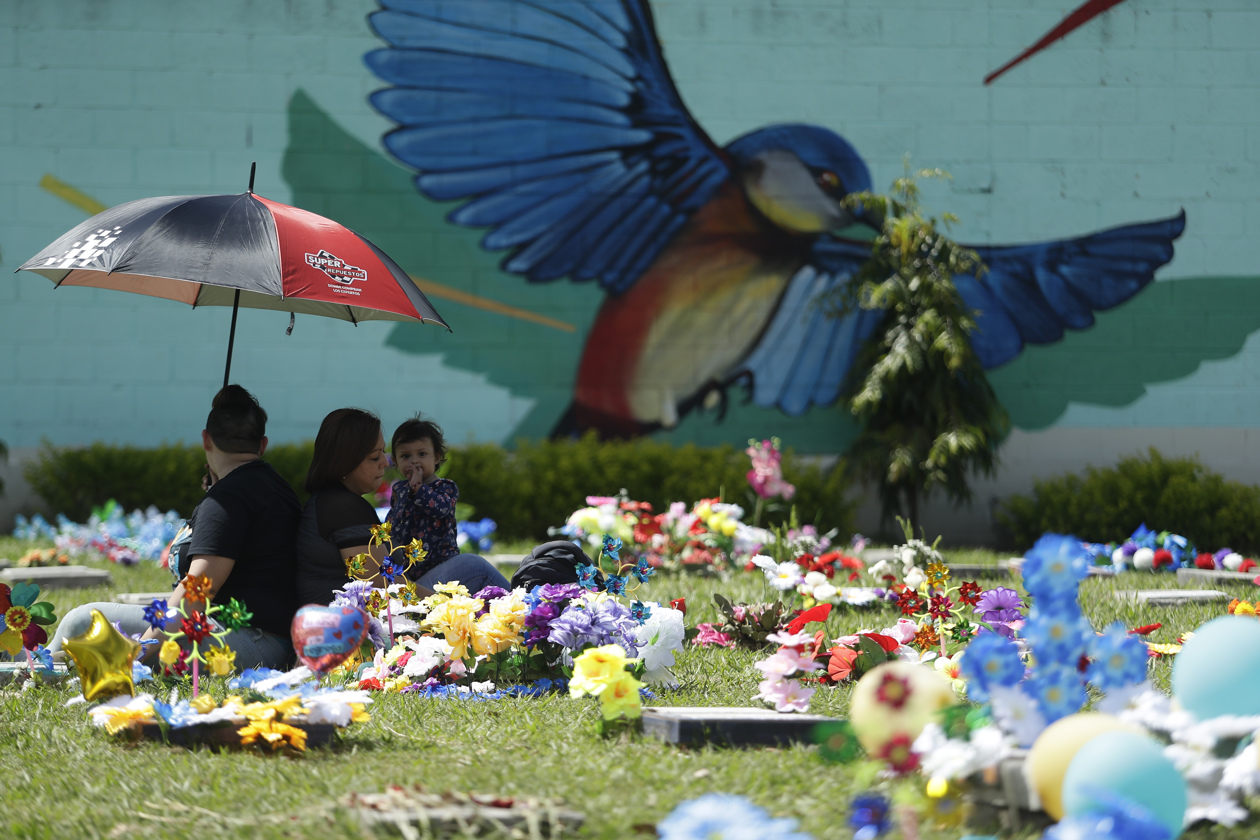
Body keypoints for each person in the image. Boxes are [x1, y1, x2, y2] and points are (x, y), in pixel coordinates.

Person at [51, 385, 301, 671]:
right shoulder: (278, 488)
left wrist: (135, 655)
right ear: (263, 444)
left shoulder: (227, 499)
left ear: (206, 440)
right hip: (272, 641)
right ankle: (32, 666)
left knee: (82, 621)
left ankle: (30, 671)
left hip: (245, 644)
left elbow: (196, 594)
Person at [295, 409, 509, 607]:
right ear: (346, 461)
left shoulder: (335, 501)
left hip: (366, 611)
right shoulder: (340, 505)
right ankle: (532, 620)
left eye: (383, 453)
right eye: (374, 456)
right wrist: (448, 609)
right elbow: (382, 585)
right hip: (352, 624)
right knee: (475, 568)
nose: (385, 463)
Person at [386, 415, 510, 593]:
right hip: (408, 567)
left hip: (439, 562)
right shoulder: (399, 490)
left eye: (422, 454)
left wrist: (419, 489)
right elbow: (394, 522)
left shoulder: (445, 487)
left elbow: (440, 509)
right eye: (406, 456)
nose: (414, 461)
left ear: (436, 457)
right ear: (396, 462)